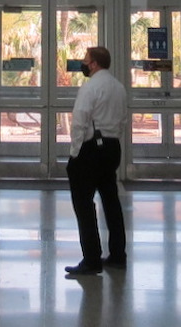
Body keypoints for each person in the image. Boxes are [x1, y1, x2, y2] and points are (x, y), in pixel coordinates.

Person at [64, 45, 127, 277]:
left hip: (90, 149)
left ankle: (91, 259)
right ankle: (118, 255)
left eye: (86, 59)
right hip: (112, 148)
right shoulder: (119, 87)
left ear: (94, 64)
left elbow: (80, 121)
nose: (83, 63)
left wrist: (75, 153)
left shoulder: (90, 88)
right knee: (111, 201)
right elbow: (123, 120)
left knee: (83, 204)